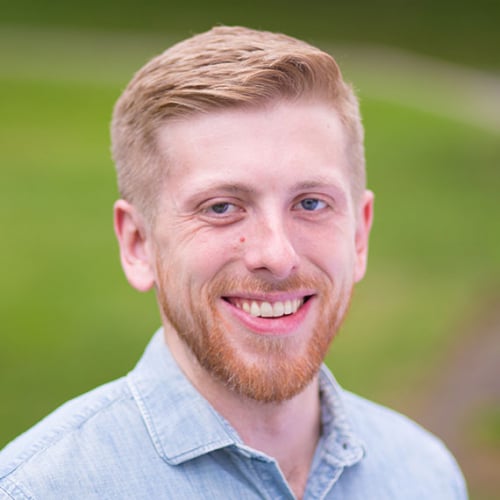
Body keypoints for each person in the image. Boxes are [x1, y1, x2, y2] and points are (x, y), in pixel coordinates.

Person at [0, 26, 467, 499]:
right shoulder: (37, 490)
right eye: (221, 207)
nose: (277, 256)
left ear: (360, 235)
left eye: (310, 203)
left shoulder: (425, 475)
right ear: (138, 244)